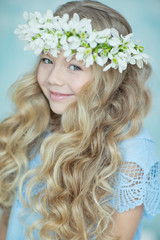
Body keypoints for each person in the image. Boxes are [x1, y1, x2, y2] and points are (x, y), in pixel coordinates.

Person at [0, 0, 160, 239]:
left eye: (75, 66)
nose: (54, 78)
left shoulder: (131, 154)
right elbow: (8, 221)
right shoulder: (31, 125)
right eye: (47, 60)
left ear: (109, 77)